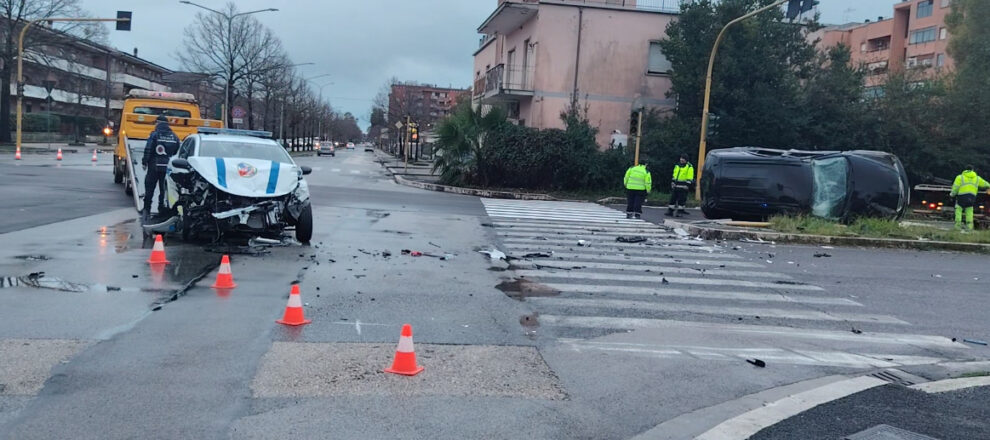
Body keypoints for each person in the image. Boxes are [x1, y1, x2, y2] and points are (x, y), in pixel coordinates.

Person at [141, 115, 180, 221]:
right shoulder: (174, 136)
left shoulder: (154, 135)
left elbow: (148, 149)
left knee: (150, 188)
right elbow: (177, 152)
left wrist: (144, 162)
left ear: (158, 123)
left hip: (154, 167)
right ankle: (161, 209)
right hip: (167, 168)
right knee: (164, 190)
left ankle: (146, 210)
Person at [949, 165, 990, 230]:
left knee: (958, 209)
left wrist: (952, 195)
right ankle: (969, 227)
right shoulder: (977, 178)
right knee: (969, 210)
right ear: (973, 170)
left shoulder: (960, 177)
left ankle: (957, 226)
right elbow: (986, 184)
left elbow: (955, 188)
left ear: (965, 170)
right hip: (972, 197)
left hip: (962, 196)